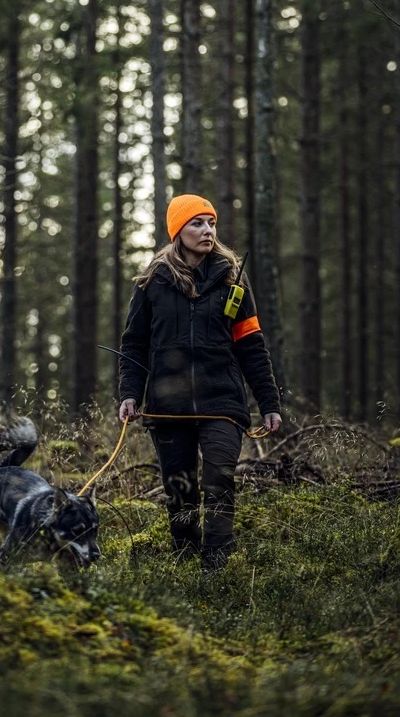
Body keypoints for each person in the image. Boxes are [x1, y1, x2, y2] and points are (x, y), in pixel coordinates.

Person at [118, 193, 282, 570]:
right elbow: (134, 343)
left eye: (211, 223)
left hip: (221, 401)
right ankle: (185, 558)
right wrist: (129, 393)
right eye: (197, 223)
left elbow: (252, 346)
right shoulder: (152, 281)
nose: (207, 230)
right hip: (166, 406)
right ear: (178, 230)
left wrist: (269, 403)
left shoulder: (232, 280)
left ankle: (217, 562)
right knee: (181, 489)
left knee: (219, 478)